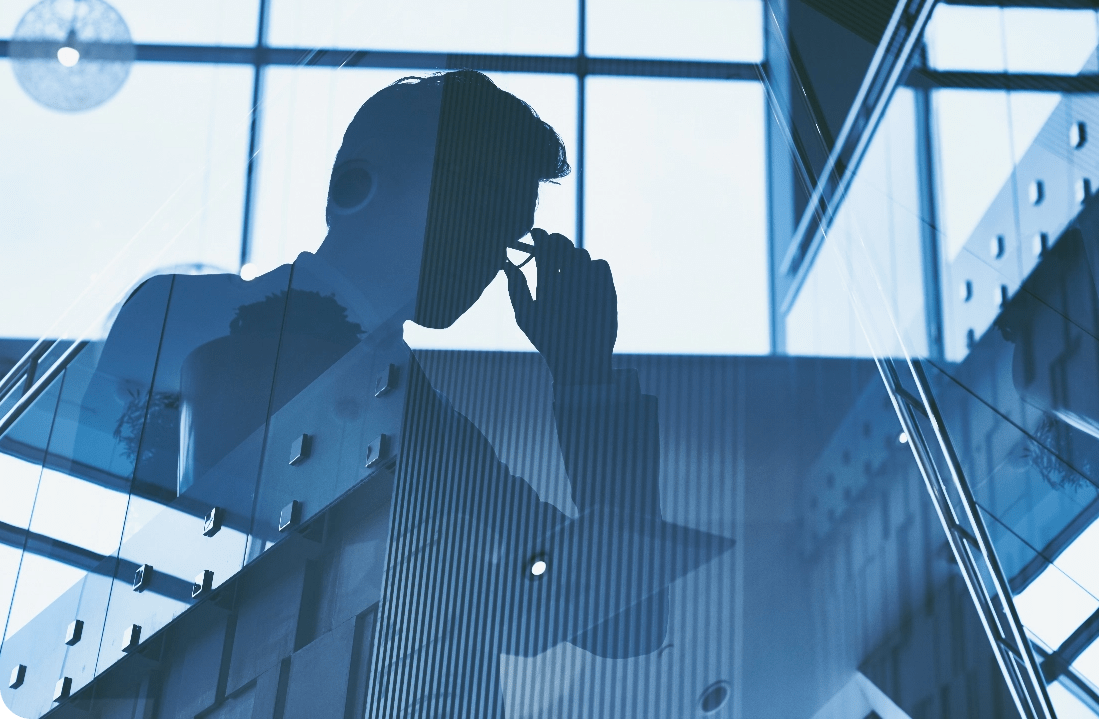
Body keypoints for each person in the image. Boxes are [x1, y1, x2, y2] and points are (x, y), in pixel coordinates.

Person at [89, 71, 725, 715]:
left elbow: (627, 619)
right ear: (354, 189)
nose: (488, 259)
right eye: (475, 212)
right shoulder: (188, 319)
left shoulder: (428, 422)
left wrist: (586, 382)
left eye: (507, 236)